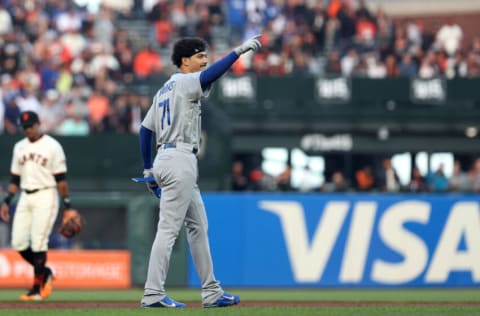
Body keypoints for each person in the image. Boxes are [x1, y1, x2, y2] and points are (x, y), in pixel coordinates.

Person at [137, 35, 262, 308]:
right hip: (179, 158)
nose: (204, 61)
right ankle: (153, 293)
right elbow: (212, 74)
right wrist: (238, 52)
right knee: (168, 230)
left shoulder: (164, 90)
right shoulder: (183, 81)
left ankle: (211, 291)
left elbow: (145, 130)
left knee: (198, 226)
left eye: (205, 56)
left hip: (168, 158)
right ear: (184, 61)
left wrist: (148, 167)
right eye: (199, 56)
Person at [0, 111, 74, 301]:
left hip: (46, 194)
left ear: (38, 124)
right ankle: (46, 272)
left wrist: (68, 206)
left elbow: (61, 180)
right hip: (25, 195)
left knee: (39, 241)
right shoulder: (19, 147)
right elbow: (15, 178)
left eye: (31, 126)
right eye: (25, 127)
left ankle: (37, 289)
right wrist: (7, 201)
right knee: (18, 242)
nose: (28, 130)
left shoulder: (52, 146)